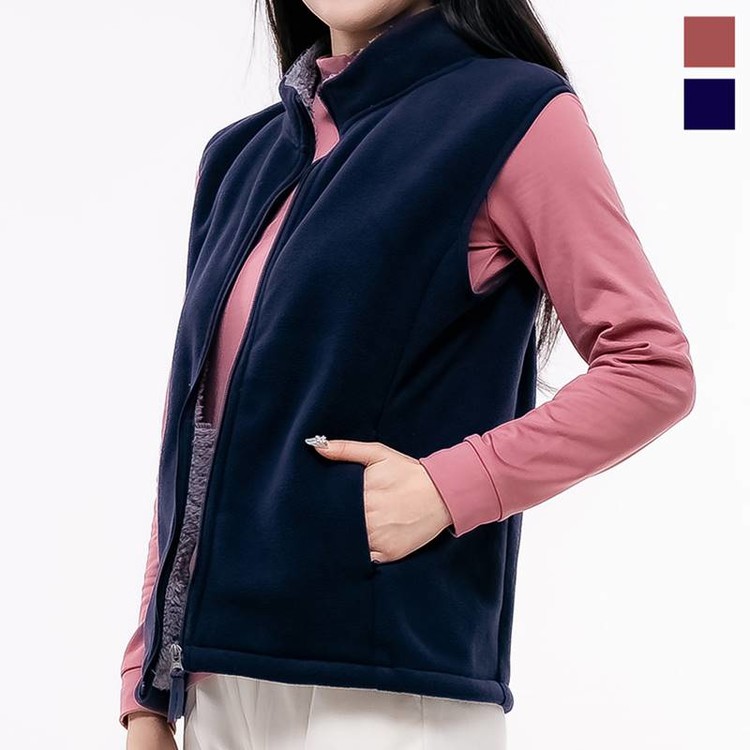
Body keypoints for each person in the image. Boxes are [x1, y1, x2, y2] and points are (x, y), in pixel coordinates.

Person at [120, 1, 697, 748]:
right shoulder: (239, 159)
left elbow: (651, 366)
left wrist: (447, 487)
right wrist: (143, 686)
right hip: (215, 692)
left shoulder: (512, 110)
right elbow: (195, 436)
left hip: (387, 691)